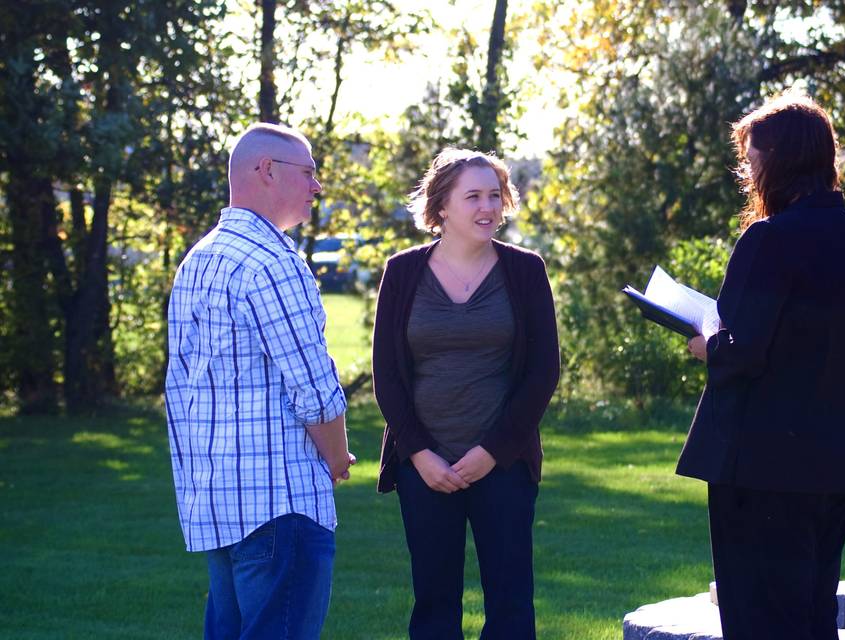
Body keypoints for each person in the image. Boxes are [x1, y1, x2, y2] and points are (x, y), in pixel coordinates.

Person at [676, 93, 845, 640]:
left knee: (761, 618)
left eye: (752, 156)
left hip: (761, 467)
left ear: (780, 158)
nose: (747, 169)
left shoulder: (769, 238)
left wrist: (706, 346)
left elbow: (743, 348)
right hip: (834, 461)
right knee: (815, 613)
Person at [164, 122, 355, 640]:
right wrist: (337, 458)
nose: (317, 187)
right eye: (309, 173)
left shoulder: (197, 261)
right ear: (267, 171)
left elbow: (180, 390)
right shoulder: (274, 262)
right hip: (280, 501)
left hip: (218, 502)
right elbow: (315, 386)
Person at [372, 148, 560, 639]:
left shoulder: (525, 270)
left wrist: (493, 452)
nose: (488, 207)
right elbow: (387, 376)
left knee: (511, 604)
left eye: (495, 195)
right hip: (425, 467)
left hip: (505, 463)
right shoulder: (403, 272)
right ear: (441, 207)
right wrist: (419, 454)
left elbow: (543, 371)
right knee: (434, 604)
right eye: (473, 196)